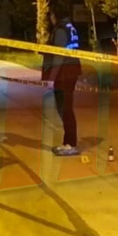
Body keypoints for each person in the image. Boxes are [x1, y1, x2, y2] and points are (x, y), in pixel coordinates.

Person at [42, 8, 82, 156]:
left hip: (64, 74)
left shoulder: (60, 30)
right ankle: (69, 142)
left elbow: (58, 56)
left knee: (65, 108)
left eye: (52, 15)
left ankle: (71, 143)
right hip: (71, 71)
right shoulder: (70, 27)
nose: (51, 19)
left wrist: (51, 77)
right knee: (65, 108)